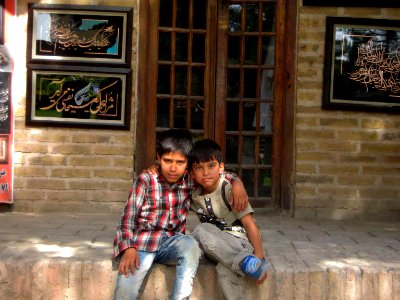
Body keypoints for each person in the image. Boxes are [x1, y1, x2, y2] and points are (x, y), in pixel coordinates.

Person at [113, 129, 248, 300]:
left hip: (172, 242)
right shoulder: (146, 180)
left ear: (187, 164)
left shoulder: (189, 181)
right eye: (167, 161)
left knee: (191, 245)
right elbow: (127, 219)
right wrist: (128, 247)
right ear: (158, 158)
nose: (173, 168)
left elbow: (213, 175)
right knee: (125, 292)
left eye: (180, 162)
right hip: (142, 244)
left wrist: (236, 182)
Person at [189, 139, 269, 300]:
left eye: (211, 166)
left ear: (221, 168)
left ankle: (249, 262)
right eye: (199, 168)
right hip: (217, 245)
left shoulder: (229, 190)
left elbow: (250, 225)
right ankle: (244, 262)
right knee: (201, 235)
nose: (205, 172)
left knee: (202, 233)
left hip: (240, 243)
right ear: (192, 174)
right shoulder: (193, 194)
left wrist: (260, 259)